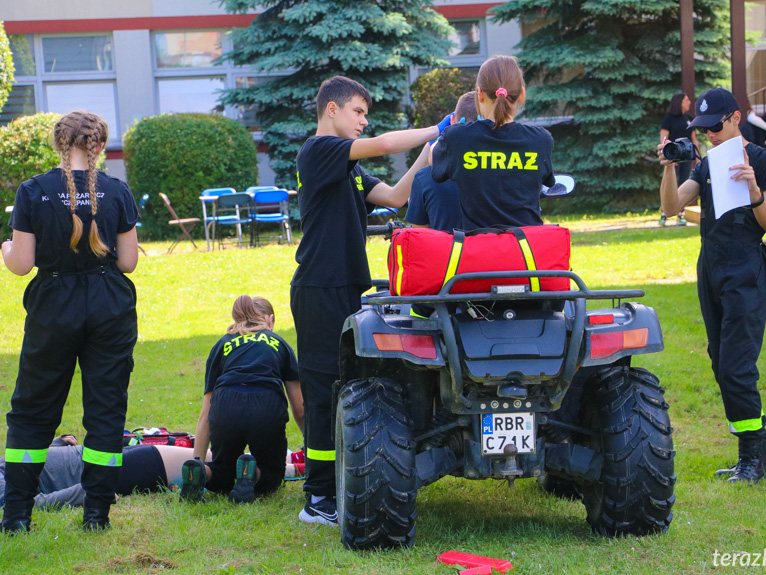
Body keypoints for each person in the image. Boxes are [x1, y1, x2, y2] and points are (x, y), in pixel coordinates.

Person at [291, 77, 443, 525]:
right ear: (332, 110)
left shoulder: (349, 168)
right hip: (320, 289)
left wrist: (426, 157)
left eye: (365, 113)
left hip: (347, 289)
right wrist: (439, 127)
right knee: (322, 393)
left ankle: (336, 483)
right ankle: (317, 500)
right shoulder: (318, 151)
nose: (364, 120)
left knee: (345, 387)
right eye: (358, 111)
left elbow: (397, 197)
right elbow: (382, 143)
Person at [0, 111, 139, 533]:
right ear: (99, 146)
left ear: (60, 144)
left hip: (53, 305)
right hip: (109, 304)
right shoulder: (116, 190)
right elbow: (129, 262)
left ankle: (18, 516)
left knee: (33, 410)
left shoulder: (34, 190)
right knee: (105, 411)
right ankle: (96, 515)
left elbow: (21, 266)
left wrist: (6, 248)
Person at [658, 88, 766, 484]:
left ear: (735, 118)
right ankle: (758, 456)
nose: (708, 134)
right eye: (702, 128)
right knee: (719, 359)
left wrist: (754, 189)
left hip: (745, 268)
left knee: (736, 366)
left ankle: (750, 459)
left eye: (714, 126)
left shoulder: (762, 161)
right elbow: (672, 208)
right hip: (710, 266)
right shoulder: (708, 164)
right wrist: (667, 168)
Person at [181, 296, 302, 505]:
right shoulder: (279, 343)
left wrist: (197, 459)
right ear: (270, 320)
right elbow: (299, 409)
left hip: (226, 404)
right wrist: (314, 451)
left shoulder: (222, 344)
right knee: (272, 477)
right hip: (266, 404)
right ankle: (252, 474)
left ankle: (201, 472)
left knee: (222, 473)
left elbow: (205, 415)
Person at [430, 55, 555, 231]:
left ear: (479, 94)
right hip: (526, 253)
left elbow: (433, 162)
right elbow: (547, 182)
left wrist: (442, 133)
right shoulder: (541, 140)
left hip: (478, 253)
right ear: (521, 94)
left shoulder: (457, 137)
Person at [0, 435, 214, 509]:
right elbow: (34, 502)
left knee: (203, 454)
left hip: (98, 454)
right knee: (204, 459)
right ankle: (241, 479)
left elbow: (26, 465)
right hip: (103, 472)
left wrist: (57, 443)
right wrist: (92, 491)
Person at [406, 91, 478, 232]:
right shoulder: (502, 171)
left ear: (452, 122)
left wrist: (440, 137)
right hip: (492, 253)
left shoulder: (424, 177)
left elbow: (420, 236)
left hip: (446, 254)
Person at [659, 92, 700, 226]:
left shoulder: (689, 118)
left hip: (687, 155)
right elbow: (664, 138)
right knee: (669, 183)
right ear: (680, 102)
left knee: (684, 181)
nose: (689, 102)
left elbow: (694, 139)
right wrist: (667, 155)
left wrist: (697, 157)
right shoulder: (669, 119)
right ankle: (664, 213)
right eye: (687, 99)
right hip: (673, 156)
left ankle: (681, 213)